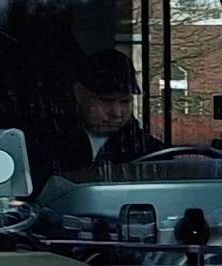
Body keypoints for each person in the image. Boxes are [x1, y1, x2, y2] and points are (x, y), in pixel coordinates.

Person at [46, 48, 158, 177]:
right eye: (106, 100)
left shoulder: (148, 151)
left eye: (125, 102)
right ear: (79, 93)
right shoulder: (47, 144)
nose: (117, 113)